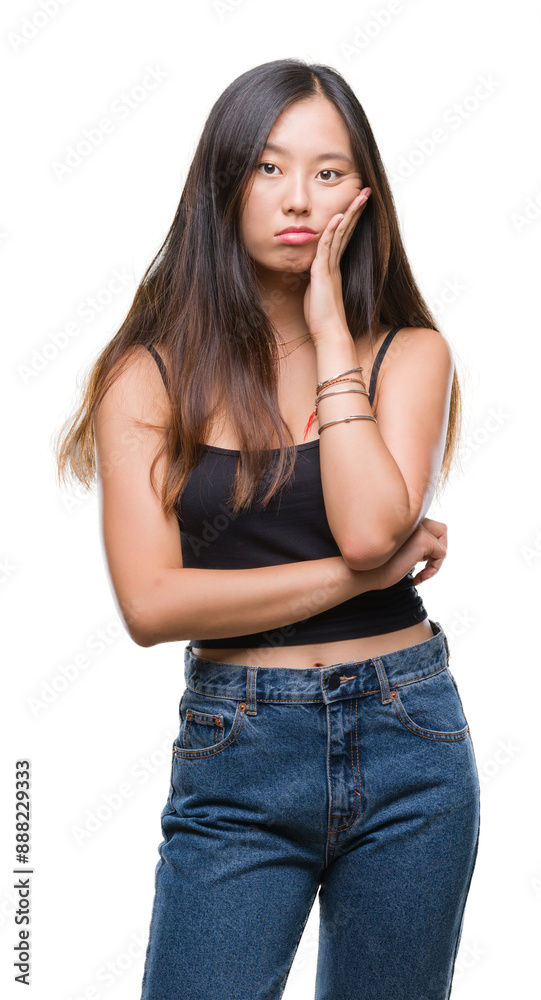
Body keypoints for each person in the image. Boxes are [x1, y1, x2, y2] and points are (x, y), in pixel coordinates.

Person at [54, 59, 480, 1000]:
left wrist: (332, 334)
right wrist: (364, 579)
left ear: (361, 194)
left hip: (410, 738)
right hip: (238, 746)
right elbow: (153, 603)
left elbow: (371, 528)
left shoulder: (409, 353)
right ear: (224, 183)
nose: (298, 199)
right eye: (268, 169)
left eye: (328, 173)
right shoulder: (149, 375)